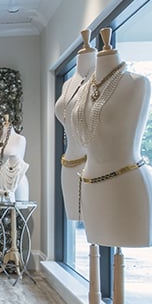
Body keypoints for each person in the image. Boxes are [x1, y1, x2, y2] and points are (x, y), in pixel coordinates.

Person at [73, 30, 152, 246]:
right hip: (90, 182)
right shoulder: (83, 91)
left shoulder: (137, 83)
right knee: (96, 243)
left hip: (126, 179)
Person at [55, 30, 95, 220]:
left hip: (94, 163)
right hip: (69, 163)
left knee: (97, 220)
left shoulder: (101, 81)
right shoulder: (67, 85)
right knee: (75, 218)